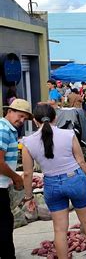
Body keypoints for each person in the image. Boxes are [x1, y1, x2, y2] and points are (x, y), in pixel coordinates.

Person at [21, 104, 86, 259]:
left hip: (51, 185)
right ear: (55, 118)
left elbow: (27, 173)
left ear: (34, 121)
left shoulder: (27, 142)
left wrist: (28, 197)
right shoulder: (68, 134)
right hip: (75, 179)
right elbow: (81, 161)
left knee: (59, 230)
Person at [0, 99, 32, 258]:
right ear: (9, 111)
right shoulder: (3, 130)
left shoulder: (8, 129)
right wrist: (16, 178)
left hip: (2, 185)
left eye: (25, 119)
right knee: (4, 227)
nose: (22, 121)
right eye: (20, 116)